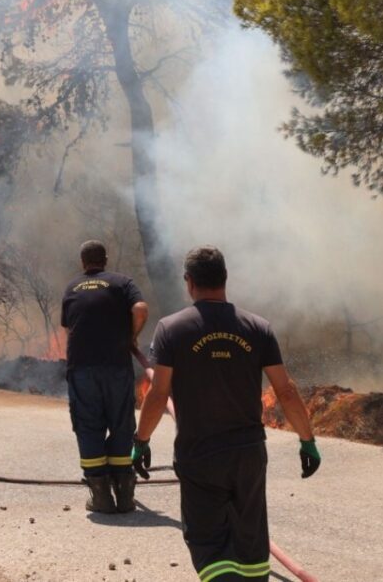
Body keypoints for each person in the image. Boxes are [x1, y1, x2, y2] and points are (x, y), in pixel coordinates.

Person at [133, 246, 321, 582]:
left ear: (189, 282)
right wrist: (307, 440)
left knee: (209, 546)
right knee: (251, 550)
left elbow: (159, 393)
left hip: (200, 455)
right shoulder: (257, 327)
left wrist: (141, 440)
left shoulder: (171, 329)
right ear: (225, 279)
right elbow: (286, 391)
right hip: (248, 456)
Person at [61, 240, 149, 513]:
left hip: (83, 367)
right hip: (116, 365)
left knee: (88, 425)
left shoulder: (72, 287)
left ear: (83, 262)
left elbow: (69, 327)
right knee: (121, 422)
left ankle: (100, 496)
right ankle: (124, 496)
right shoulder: (122, 282)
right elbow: (141, 309)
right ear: (106, 260)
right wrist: (131, 336)